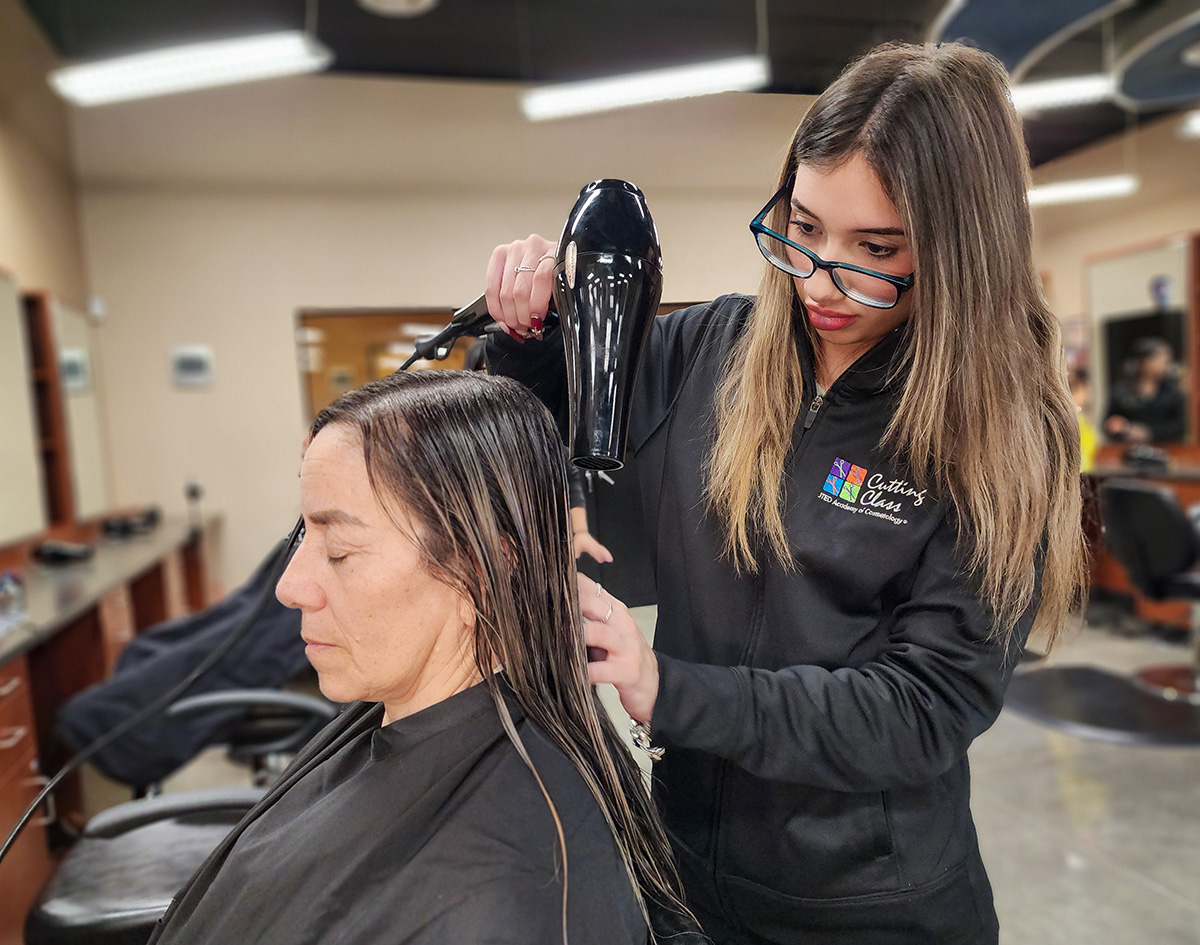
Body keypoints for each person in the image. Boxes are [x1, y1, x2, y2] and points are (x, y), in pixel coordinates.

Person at [482, 41, 1087, 945]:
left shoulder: (1002, 434)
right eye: (802, 228)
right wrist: (528, 347)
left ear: (959, 252)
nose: (818, 278)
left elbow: (924, 710)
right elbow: (559, 473)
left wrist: (671, 690)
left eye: (874, 249)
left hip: (871, 910)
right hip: (687, 874)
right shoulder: (710, 351)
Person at [148, 370, 699, 945]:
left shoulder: (501, 899)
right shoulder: (392, 706)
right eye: (303, 537)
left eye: (338, 550)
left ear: (477, 573)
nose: (290, 586)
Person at [1103, 336, 1186, 444]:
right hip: (1128, 451)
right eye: (1163, 361)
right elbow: (1108, 424)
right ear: (1145, 361)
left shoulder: (1172, 394)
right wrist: (1123, 428)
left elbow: (1180, 426)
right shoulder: (1121, 393)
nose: (1166, 366)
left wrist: (1149, 432)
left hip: (1167, 451)